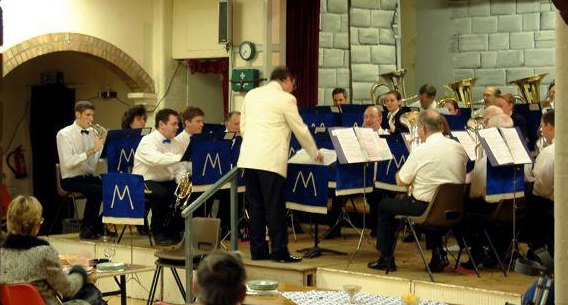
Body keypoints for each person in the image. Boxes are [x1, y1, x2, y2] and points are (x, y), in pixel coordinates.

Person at [238, 66, 323, 263]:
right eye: (292, 84)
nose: (293, 89)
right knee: (274, 207)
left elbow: (243, 125)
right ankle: (279, 252)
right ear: (285, 79)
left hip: (248, 158)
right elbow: (300, 129)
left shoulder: (251, 94)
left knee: (256, 207)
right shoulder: (286, 99)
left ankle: (258, 251)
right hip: (270, 159)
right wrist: (314, 152)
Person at [368, 110, 467, 272]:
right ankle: (438, 255)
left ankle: (386, 259)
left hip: (426, 209)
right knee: (433, 198)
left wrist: (402, 172)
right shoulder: (458, 147)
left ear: (423, 129)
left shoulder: (421, 150)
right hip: (453, 209)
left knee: (385, 205)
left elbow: (401, 182)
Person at [0, 195, 93, 305]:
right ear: (35, 225)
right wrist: (80, 271)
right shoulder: (43, 252)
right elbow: (68, 289)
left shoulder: (2, 253)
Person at [133, 108, 187, 245]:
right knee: (161, 195)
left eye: (177, 124)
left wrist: (182, 182)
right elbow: (156, 160)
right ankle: (157, 231)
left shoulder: (176, 143)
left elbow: (179, 167)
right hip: (144, 180)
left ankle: (174, 230)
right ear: (162, 124)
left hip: (166, 180)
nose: (177, 127)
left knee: (186, 193)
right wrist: (181, 157)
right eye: (174, 124)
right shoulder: (148, 141)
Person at [56, 101, 106, 240]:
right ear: (77, 114)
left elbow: (92, 163)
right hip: (70, 179)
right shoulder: (64, 134)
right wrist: (92, 150)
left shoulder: (91, 133)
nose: (91, 119)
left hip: (86, 176)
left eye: (92, 115)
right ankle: (86, 229)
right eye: (88, 115)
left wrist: (101, 146)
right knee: (97, 191)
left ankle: (97, 225)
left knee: (112, 188)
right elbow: (68, 162)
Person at [525, 110, 555, 254]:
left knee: (531, 201)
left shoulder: (550, 152)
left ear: (550, 127)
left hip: (554, 206)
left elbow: (541, 188)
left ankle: (537, 250)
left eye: (542, 126)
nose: (541, 130)